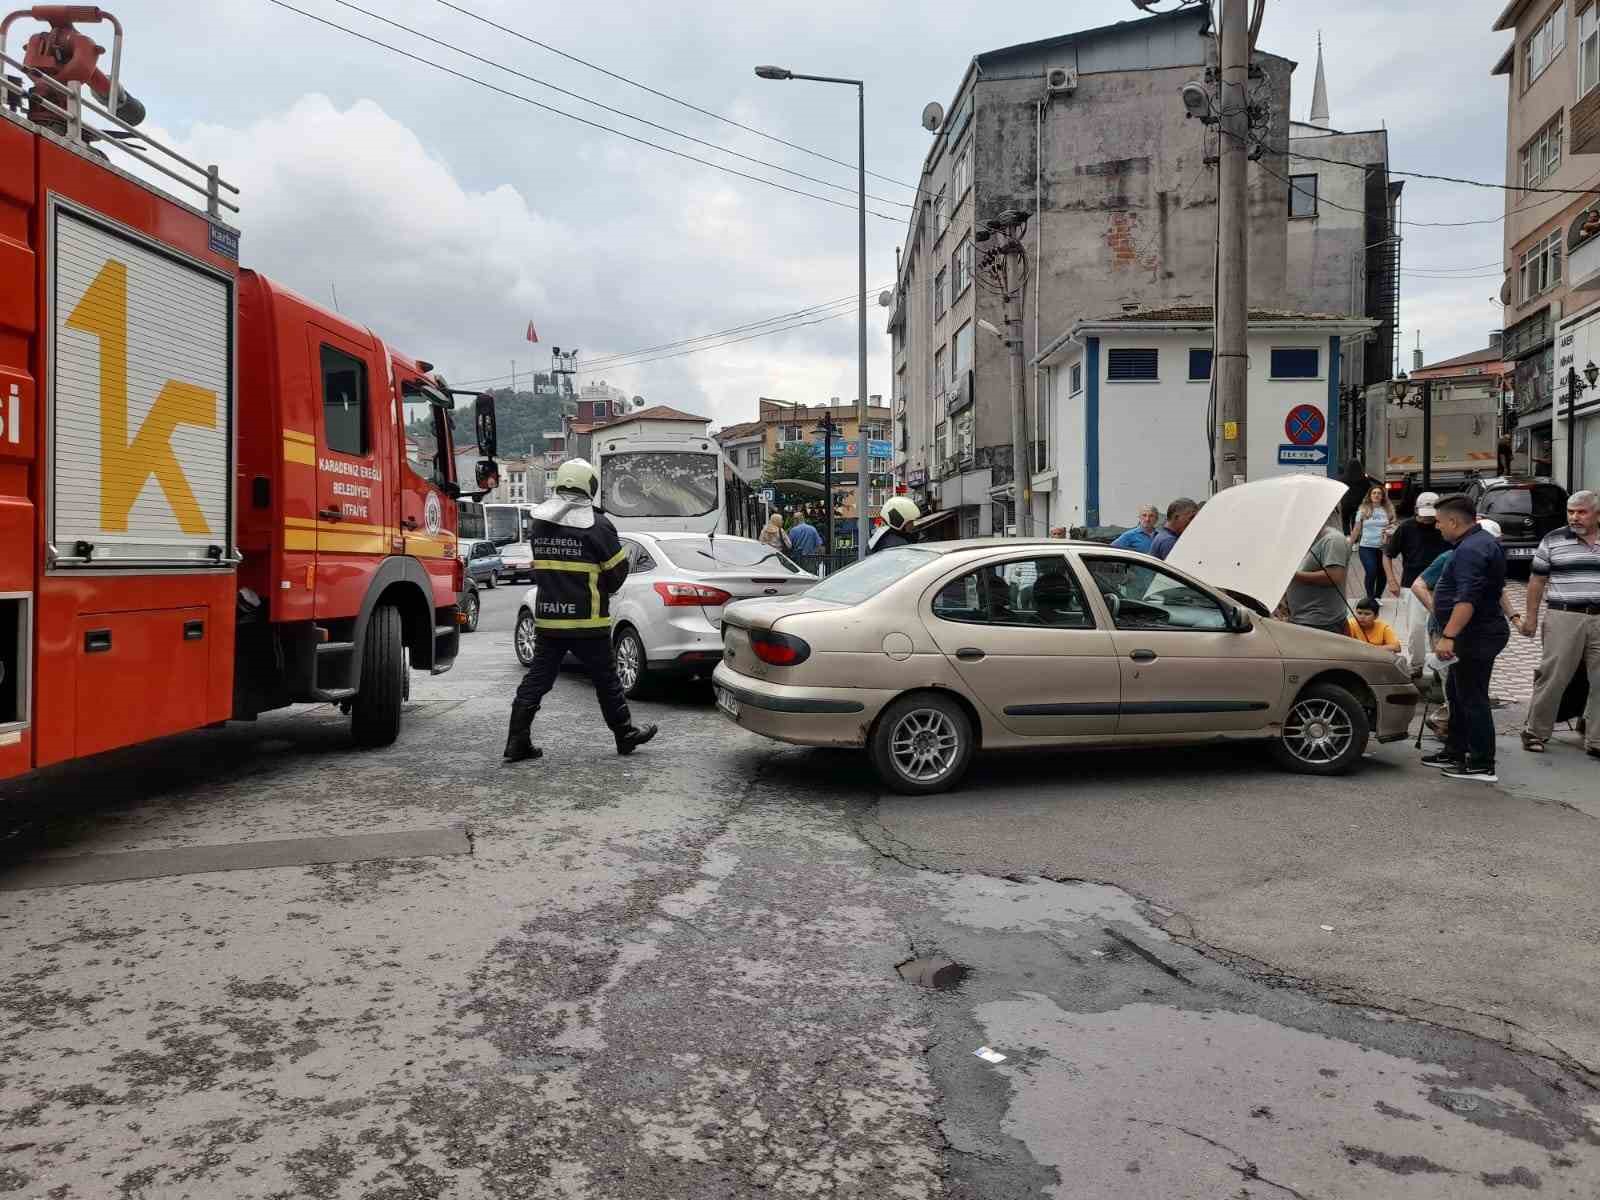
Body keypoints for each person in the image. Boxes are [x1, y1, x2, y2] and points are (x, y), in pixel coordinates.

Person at [503, 459, 658, 764]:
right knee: (606, 680)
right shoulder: (598, 526)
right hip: (589, 620)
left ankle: (517, 740)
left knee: (538, 679)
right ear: (590, 485)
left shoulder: (540, 524)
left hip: (549, 619)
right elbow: (616, 575)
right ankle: (624, 734)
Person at [1423, 494, 1509, 782]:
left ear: (1453, 521)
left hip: (1476, 635)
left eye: (1438, 522)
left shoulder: (1472, 549)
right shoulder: (1476, 543)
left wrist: (1448, 636)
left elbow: (1467, 600)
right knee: (1459, 695)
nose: (1437, 528)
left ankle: (1482, 763)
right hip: (1472, 634)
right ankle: (1456, 751)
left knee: (1472, 697)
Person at [1517, 490, 1600, 757]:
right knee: (1553, 675)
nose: (1575, 517)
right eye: (1571, 511)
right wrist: (1531, 617)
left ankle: (1596, 739)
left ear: (1596, 513)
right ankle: (1534, 731)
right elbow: (1537, 580)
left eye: (1582, 512)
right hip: (1564, 616)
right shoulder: (1553, 540)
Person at [1383, 490, 1450, 669]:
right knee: (1416, 628)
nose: (1428, 520)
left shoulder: (1444, 527)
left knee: (1441, 629)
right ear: (1416, 510)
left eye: (1432, 516)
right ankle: (1417, 664)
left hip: (1442, 586)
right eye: (1424, 515)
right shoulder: (1406, 528)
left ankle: (1440, 666)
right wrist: (1391, 579)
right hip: (1412, 585)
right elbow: (1388, 554)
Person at [1283, 508, 1352, 636]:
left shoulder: (1332, 540)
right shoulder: (1304, 540)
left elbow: (1334, 576)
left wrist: (1292, 575)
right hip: (1302, 619)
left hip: (1322, 623)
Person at [1348, 485, 1397, 606]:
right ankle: (1370, 597)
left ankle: (1378, 596)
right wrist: (1349, 545)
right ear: (1370, 496)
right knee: (1371, 571)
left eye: (1379, 493)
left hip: (1383, 547)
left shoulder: (1388, 510)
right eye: (1374, 493)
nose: (1376, 495)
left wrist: (1391, 529)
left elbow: (1394, 526)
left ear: (1382, 496)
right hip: (1366, 546)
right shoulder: (1363, 510)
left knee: (1382, 573)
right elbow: (1356, 530)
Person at [1338, 460, 1378, 534]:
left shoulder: (1343, 479)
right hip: (1358, 504)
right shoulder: (1364, 479)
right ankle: (1355, 538)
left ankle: (1347, 535)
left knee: (1345, 520)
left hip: (1346, 504)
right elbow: (1369, 491)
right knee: (1355, 520)